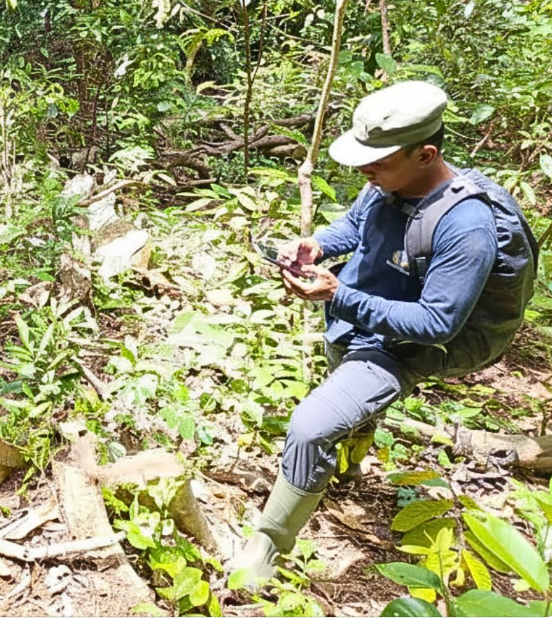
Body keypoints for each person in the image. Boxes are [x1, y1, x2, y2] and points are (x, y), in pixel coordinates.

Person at [228, 80, 539, 585]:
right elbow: (356, 227)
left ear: (426, 154)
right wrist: (316, 246)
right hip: (360, 320)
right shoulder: (387, 183)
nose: (363, 171)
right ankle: (349, 460)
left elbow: (437, 323)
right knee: (342, 387)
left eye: (377, 161)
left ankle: (267, 547)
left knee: (310, 427)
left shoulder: (467, 226)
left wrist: (336, 295)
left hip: (406, 346)